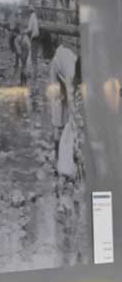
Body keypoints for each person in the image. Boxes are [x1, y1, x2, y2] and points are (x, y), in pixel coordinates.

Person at [50, 38, 82, 179]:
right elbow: (71, 102)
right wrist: (76, 120)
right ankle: (58, 156)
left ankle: (71, 155)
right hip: (56, 71)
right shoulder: (71, 72)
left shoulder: (80, 69)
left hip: (64, 65)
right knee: (59, 115)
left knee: (71, 118)